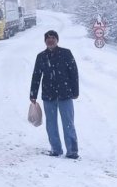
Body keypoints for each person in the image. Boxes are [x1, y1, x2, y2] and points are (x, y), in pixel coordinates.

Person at [29, 30, 79, 159]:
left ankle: (72, 150)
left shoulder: (66, 53)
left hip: (65, 94)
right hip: (48, 95)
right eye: (48, 38)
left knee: (68, 123)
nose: (50, 40)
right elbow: (36, 76)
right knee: (51, 124)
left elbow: (74, 73)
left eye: (53, 38)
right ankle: (56, 149)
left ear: (57, 40)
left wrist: (75, 91)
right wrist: (33, 94)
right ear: (45, 41)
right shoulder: (41, 56)